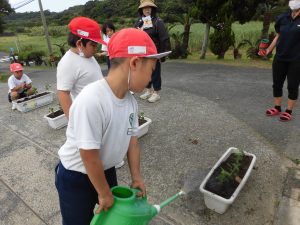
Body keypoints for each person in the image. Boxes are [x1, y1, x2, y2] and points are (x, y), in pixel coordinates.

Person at [55, 28, 171, 225]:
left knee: (112, 219)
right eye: (151, 70)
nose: (151, 78)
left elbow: (132, 141)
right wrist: (104, 193)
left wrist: (136, 177)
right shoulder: (92, 99)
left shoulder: (130, 101)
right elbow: (89, 156)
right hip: (76, 176)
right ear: (134, 63)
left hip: (106, 170)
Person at [56, 17, 104, 119]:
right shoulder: (67, 63)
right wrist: (73, 123)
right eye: (93, 45)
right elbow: (63, 93)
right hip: (87, 115)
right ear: (79, 44)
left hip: (101, 110)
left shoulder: (87, 55)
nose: (96, 49)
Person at [262, 0, 300, 122]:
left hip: (296, 59)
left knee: (292, 85)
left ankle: (288, 111)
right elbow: (279, 35)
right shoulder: (283, 17)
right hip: (280, 57)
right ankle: (277, 107)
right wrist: (268, 50)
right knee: (277, 83)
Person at [135, 0, 171, 103]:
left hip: (155, 52)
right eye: (145, 7)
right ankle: (148, 90)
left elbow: (164, 38)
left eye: (149, 7)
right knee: (145, 72)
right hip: (142, 52)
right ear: (141, 9)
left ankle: (156, 93)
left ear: (153, 9)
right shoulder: (139, 21)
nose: (147, 9)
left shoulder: (157, 21)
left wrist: (162, 54)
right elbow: (133, 35)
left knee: (155, 72)